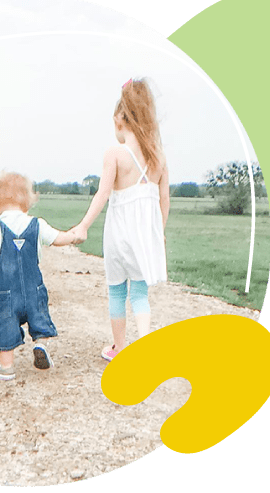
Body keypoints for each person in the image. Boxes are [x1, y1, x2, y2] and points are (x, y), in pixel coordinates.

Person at [71, 79, 169, 361]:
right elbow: (165, 200)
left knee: (116, 291)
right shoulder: (158, 156)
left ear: (119, 119)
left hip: (118, 234)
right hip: (144, 235)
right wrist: (157, 232)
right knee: (139, 294)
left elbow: (102, 195)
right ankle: (146, 346)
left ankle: (119, 348)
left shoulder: (115, 153)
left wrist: (84, 226)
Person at [0, 172, 76, 380]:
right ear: (27, 201)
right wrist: (74, 236)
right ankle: (40, 344)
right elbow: (58, 238)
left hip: (4, 293)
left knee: (4, 325)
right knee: (39, 318)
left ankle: (6, 367)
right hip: (34, 289)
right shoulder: (37, 224)